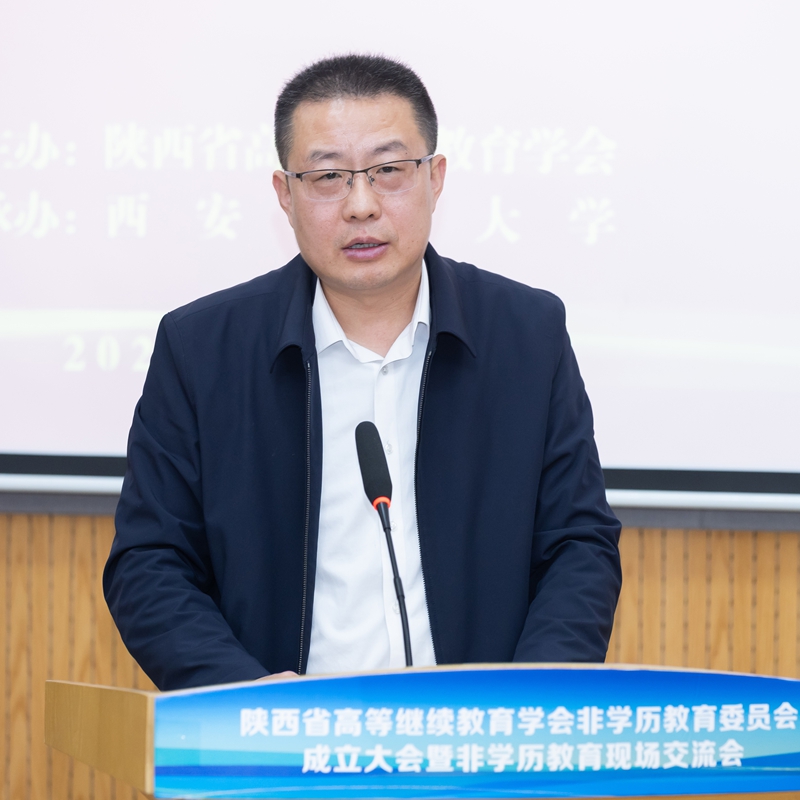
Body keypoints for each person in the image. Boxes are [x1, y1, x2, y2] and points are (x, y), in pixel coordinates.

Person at [104, 54, 621, 692]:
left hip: (477, 733)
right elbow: (150, 563)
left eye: (388, 171)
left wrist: (523, 702)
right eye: (327, 177)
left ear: (435, 178)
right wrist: (245, 698)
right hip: (279, 733)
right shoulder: (203, 349)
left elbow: (578, 544)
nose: (361, 205)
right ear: (284, 194)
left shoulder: (526, 335)